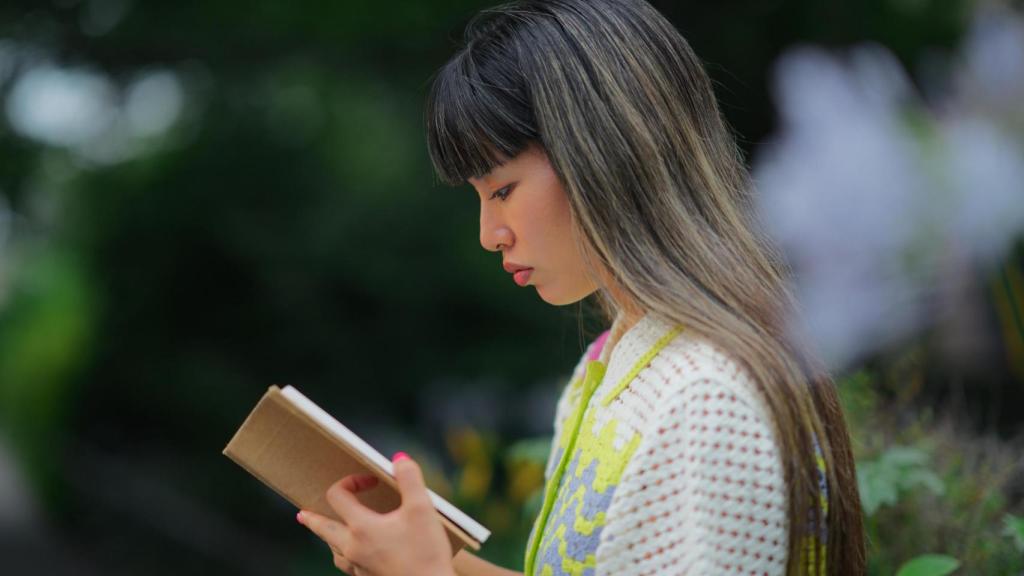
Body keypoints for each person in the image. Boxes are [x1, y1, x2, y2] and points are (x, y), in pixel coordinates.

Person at [296, 0, 866, 574]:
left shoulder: (709, 398)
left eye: (501, 190)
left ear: (602, 154)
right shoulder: (623, 361)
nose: (488, 235)